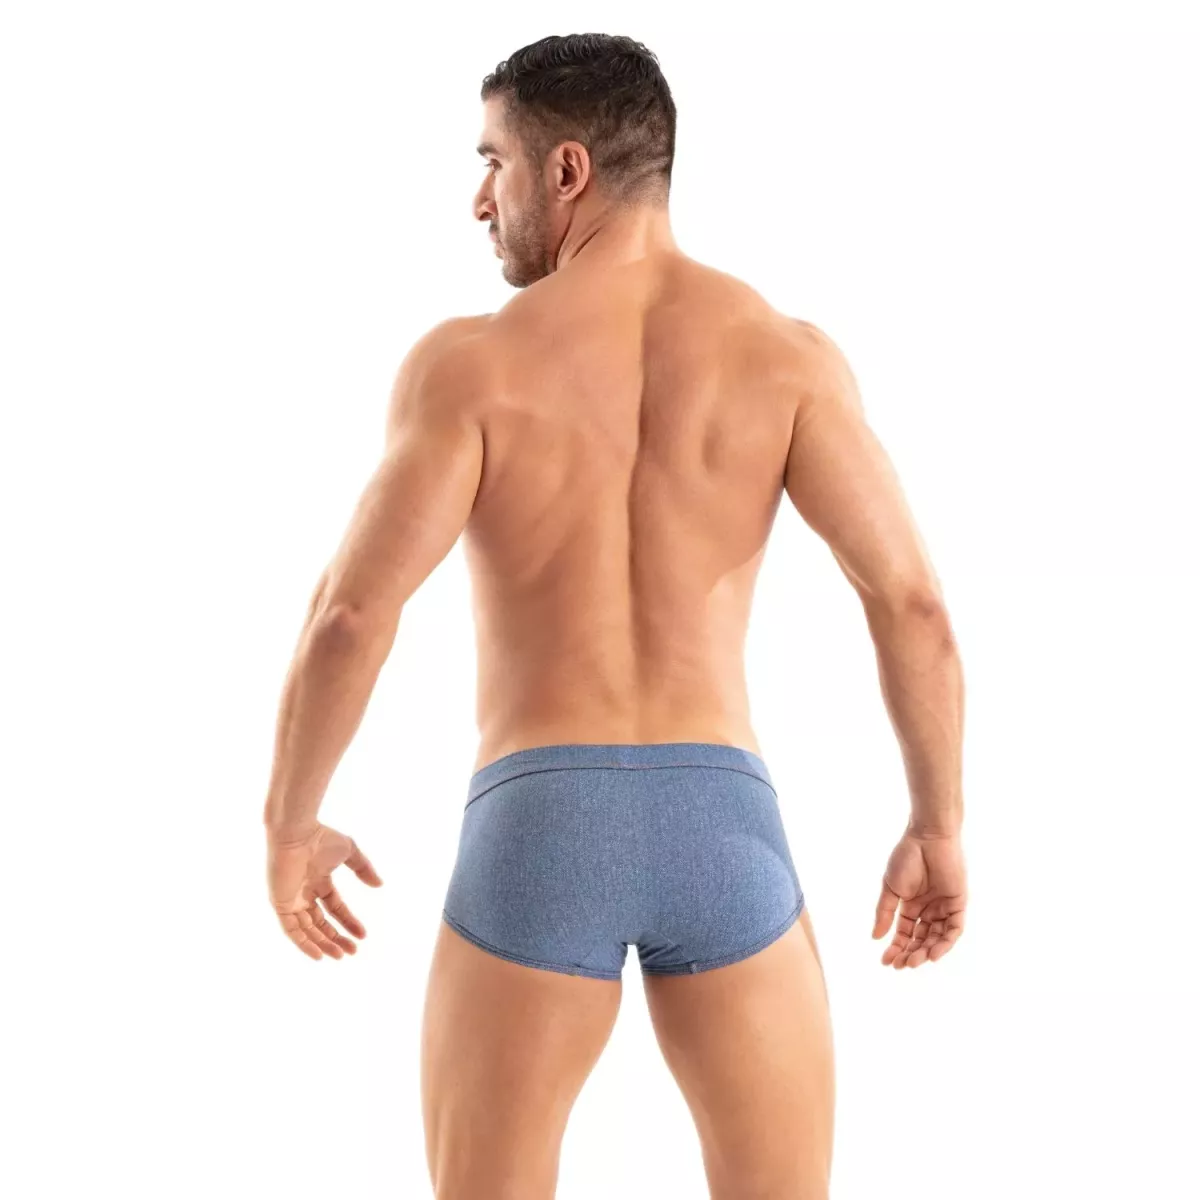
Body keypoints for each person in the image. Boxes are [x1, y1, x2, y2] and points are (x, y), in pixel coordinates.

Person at [261, 32, 967, 1200]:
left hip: (537, 824)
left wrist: (291, 824)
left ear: (567, 170)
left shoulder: (471, 368)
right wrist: (936, 824)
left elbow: (349, 615)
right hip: (724, 829)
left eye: (493, 162)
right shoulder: (786, 359)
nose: (478, 199)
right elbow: (915, 603)